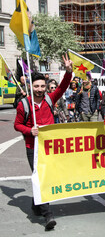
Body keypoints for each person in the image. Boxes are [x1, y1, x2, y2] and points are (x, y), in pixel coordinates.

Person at [13, 54, 73, 230]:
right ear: (31, 87)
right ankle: (48, 215)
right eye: (36, 86)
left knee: (44, 177)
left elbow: (62, 87)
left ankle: (35, 204)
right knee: (40, 178)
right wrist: (29, 131)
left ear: (45, 87)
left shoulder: (49, 99)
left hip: (49, 147)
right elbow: (17, 125)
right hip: (32, 147)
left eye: (42, 86)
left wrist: (69, 72)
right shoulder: (23, 104)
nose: (39, 89)